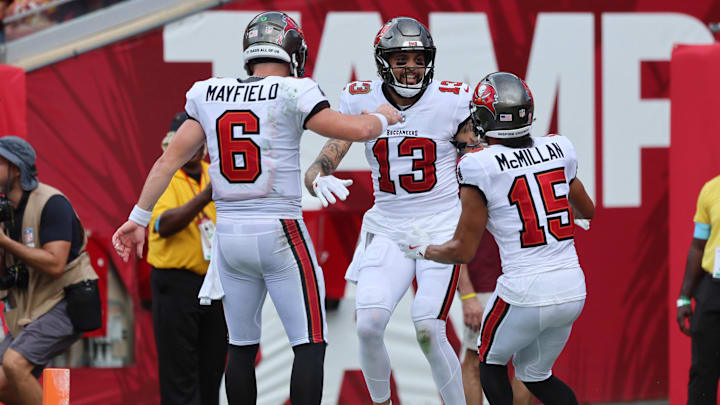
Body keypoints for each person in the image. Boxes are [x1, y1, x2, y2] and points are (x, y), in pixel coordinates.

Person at [112, 11, 402, 405]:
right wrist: (381, 116)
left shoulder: (209, 92)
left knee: (241, 346)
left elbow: (167, 162)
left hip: (229, 237)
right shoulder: (293, 90)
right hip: (279, 228)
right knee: (310, 341)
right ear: (292, 52)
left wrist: (137, 218)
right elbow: (359, 130)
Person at [399, 72, 595, 405]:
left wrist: (425, 250)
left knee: (487, 361)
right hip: (572, 287)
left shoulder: (479, 165)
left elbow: (463, 249)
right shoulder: (559, 147)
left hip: (524, 288)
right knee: (536, 375)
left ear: (484, 118)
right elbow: (586, 210)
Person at [304, 17, 471, 405]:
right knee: (369, 325)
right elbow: (331, 151)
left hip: (440, 221)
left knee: (429, 326)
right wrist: (315, 176)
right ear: (384, 62)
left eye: (418, 57)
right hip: (389, 225)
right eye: (402, 58)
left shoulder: (452, 99)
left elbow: (477, 158)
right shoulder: (361, 98)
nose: (411, 66)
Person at [0, 136, 100, 405]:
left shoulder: (52, 202)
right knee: (3, 382)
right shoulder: (6, 211)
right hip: (29, 309)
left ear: (16, 169)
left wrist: (6, 242)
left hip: (66, 301)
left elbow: (55, 263)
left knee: (14, 363)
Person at [146, 112, 226, 405]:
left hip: (215, 285)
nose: (194, 150)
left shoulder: (213, 172)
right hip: (176, 284)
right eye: (186, 144)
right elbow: (163, 225)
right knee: (179, 375)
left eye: (199, 143)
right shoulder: (163, 175)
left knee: (212, 371)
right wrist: (205, 197)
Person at [453, 122, 534, 405]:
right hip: (492, 280)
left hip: (515, 276)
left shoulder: (474, 167)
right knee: (482, 359)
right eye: (466, 132)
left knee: (526, 364)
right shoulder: (464, 170)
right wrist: (469, 295)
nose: (471, 137)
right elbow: (456, 236)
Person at [677, 174, 720, 404]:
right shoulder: (711, 190)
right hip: (713, 291)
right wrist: (684, 297)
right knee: (703, 374)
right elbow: (697, 247)